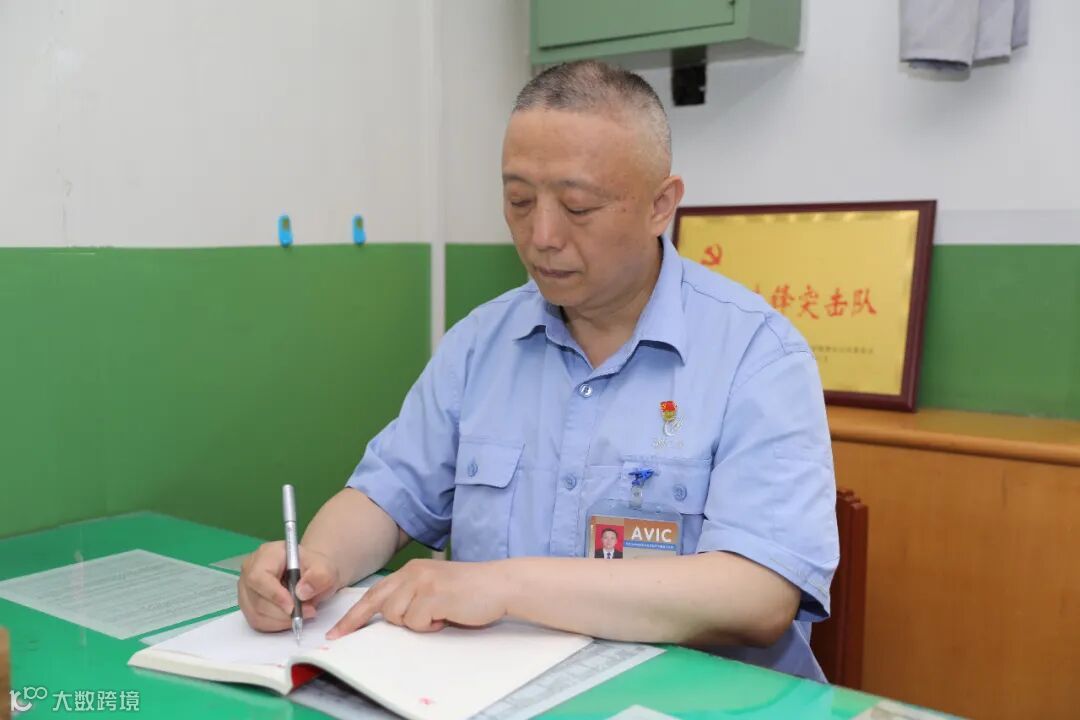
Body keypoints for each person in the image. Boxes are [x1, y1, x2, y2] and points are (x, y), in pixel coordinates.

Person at [238, 60, 838, 681]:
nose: (542, 235)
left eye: (578, 207)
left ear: (661, 205)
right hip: (496, 694)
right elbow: (387, 496)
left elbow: (759, 594)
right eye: (519, 201)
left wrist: (506, 586)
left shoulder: (758, 355)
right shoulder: (481, 343)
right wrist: (314, 565)